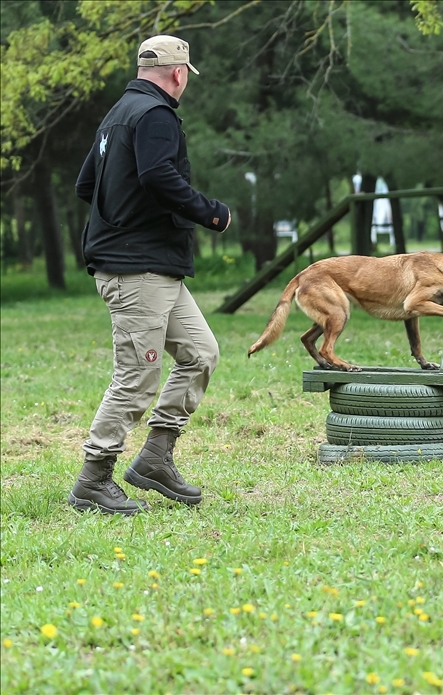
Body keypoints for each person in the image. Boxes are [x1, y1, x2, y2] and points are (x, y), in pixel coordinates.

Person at [70, 35, 230, 515]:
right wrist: (210, 212)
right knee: (137, 375)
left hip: (154, 266)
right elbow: (159, 176)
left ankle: (156, 458)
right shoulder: (155, 115)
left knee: (201, 353)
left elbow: (85, 185)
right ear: (179, 73)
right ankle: (92, 480)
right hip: (136, 269)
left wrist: (126, 216)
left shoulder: (118, 112)